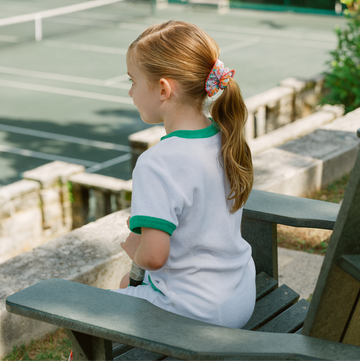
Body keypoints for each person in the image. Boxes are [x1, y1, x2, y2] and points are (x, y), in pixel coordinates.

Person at [115, 20, 256, 329]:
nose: (130, 92)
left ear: (163, 89)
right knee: (128, 284)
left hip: (195, 316)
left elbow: (153, 257)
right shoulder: (225, 136)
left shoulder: (157, 163)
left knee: (95, 312)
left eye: (133, 81)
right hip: (240, 298)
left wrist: (134, 249)